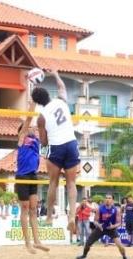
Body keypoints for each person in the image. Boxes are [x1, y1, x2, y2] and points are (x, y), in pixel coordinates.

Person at [32, 68, 80, 233]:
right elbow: (62, 87)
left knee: (53, 182)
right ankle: (72, 217)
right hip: (71, 143)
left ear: (38, 102)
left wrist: (41, 142)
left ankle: (49, 217)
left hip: (57, 146)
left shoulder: (41, 117)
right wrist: (55, 74)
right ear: (48, 95)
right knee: (72, 183)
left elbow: (44, 141)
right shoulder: (61, 101)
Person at [15, 104, 49, 254]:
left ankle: (37, 241)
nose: (32, 128)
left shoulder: (36, 140)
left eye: (33, 128)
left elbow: (42, 128)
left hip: (33, 176)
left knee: (34, 209)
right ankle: (27, 243)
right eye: (30, 127)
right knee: (25, 208)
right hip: (22, 176)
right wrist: (32, 104)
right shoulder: (22, 139)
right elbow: (28, 119)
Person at [76, 194, 129, 259]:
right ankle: (84, 255)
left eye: (109, 198)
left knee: (120, 246)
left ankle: (124, 257)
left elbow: (119, 222)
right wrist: (98, 225)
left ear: (112, 200)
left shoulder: (116, 210)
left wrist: (113, 226)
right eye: (106, 198)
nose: (107, 200)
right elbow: (95, 220)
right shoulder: (100, 209)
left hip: (111, 229)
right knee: (88, 243)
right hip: (100, 229)